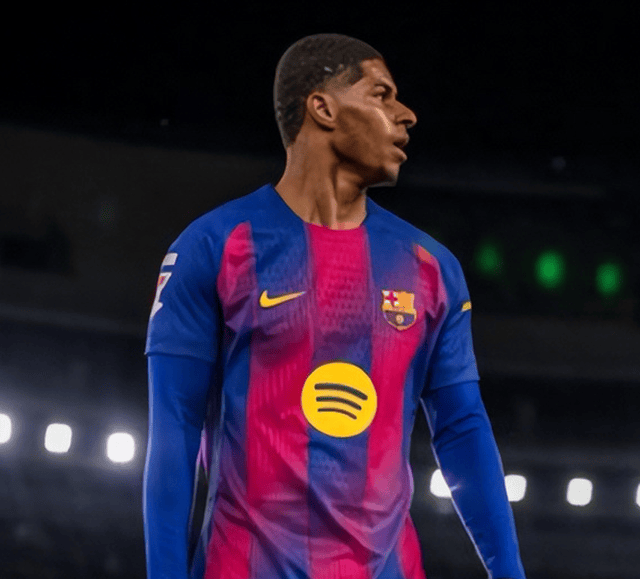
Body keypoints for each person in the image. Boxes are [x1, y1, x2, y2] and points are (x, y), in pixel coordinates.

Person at [143, 33, 526, 579]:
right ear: (322, 108)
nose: (407, 114)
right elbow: (174, 428)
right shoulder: (213, 247)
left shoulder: (431, 268)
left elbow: (463, 429)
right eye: (382, 94)